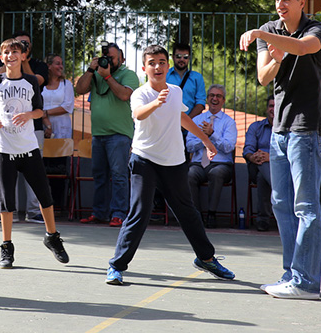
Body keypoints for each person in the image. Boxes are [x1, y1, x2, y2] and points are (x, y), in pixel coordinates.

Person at [105, 45, 235, 285]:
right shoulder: (140, 94)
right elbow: (139, 114)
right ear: (144, 68)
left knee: (188, 213)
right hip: (144, 160)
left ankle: (206, 258)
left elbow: (182, 117)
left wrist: (206, 140)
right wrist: (156, 103)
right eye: (152, 62)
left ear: (168, 66)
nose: (157, 66)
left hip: (174, 163)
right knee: (139, 213)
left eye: (162, 62)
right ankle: (116, 266)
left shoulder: (175, 92)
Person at [240, 0, 321, 300]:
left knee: (306, 206)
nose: (280, 4)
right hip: (279, 130)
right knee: (281, 204)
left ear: (302, 2)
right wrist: (274, 55)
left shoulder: (316, 29)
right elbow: (263, 78)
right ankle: (291, 273)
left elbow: (304, 48)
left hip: (306, 130)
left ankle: (306, 283)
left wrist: (263, 36)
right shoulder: (271, 28)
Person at [0, 37, 69, 269]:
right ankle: (7, 246)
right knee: (6, 201)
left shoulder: (31, 81)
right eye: (7, 52)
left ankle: (52, 237)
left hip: (28, 147)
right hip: (4, 148)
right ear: (2, 57)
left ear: (22, 56)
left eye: (15, 52)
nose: (11, 55)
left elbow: (40, 110)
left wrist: (29, 115)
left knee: (44, 195)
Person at [75, 42, 139, 227]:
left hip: (119, 134)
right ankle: (99, 212)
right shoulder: (96, 74)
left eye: (112, 58)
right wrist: (90, 70)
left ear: (122, 58)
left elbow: (124, 95)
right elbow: (79, 89)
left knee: (119, 175)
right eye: (106, 57)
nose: (108, 61)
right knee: (100, 175)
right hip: (98, 134)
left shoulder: (129, 75)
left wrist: (108, 76)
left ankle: (119, 213)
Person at [0, 31, 48, 223]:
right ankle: (10, 211)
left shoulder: (37, 68)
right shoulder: (2, 75)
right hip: (7, 134)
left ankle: (34, 211)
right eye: (14, 47)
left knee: (34, 174)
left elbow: (37, 82)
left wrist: (23, 60)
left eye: (22, 47)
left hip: (32, 130)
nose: (16, 52)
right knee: (8, 178)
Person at [186, 84, 238, 228]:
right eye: (212, 96)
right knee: (190, 174)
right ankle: (196, 215)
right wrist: (204, 138)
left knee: (216, 173)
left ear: (223, 100)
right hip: (198, 164)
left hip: (221, 164)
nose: (215, 99)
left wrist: (212, 134)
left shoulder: (229, 122)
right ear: (207, 99)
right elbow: (189, 146)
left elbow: (228, 147)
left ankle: (211, 214)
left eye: (218, 96)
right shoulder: (196, 120)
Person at [42, 53, 75, 208]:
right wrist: (45, 121)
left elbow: (68, 106)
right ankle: (44, 206)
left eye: (61, 63)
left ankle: (59, 206)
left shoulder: (66, 84)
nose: (61, 66)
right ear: (48, 66)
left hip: (61, 132)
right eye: (57, 63)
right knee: (43, 169)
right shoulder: (41, 84)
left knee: (58, 169)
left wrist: (46, 113)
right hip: (43, 130)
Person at [243, 95, 275, 232]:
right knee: (262, 165)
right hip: (255, 166)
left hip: (280, 168)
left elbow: (290, 154)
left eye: (276, 106)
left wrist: (270, 157)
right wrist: (253, 157)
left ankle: (263, 220)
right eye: (271, 106)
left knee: (263, 177)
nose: (273, 109)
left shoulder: (288, 130)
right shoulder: (256, 127)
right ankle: (279, 191)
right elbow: (247, 150)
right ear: (267, 109)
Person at [166, 42, 206, 118]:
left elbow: (200, 104)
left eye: (185, 57)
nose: (182, 59)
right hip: (168, 123)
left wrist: (186, 123)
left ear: (189, 58)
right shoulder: (165, 76)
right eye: (178, 56)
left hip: (190, 124)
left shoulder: (197, 78)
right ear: (173, 57)